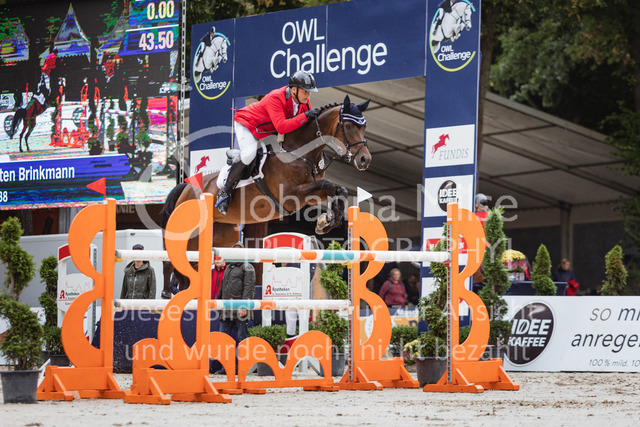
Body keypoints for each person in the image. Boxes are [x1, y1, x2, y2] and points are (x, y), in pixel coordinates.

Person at [215, 70, 321, 214]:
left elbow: (303, 126)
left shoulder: (303, 100)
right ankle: (225, 191)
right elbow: (282, 126)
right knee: (249, 154)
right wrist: (306, 116)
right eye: (305, 92)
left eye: (309, 92)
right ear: (294, 90)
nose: (308, 96)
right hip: (248, 124)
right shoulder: (275, 97)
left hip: (267, 130)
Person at [216, 242, 256, 342]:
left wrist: (244, 306)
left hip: (240, 310)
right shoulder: (228, 268)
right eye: (234, 250)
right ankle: (223, 354)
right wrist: (217, 301)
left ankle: (245, 354)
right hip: (226, 310)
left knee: (242, 338)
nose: (236, 253)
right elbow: (223, 286)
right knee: (222, 338)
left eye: (239, 250)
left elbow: (249, 288)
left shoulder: (248, 267)